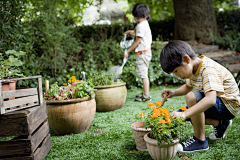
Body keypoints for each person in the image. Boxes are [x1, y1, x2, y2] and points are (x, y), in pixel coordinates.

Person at [160, 40, 240, 153]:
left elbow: (211, 100)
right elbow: (188, 86)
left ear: (187, 59)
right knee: (184, 113)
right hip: (220, 104)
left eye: (176, 71)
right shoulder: (194, 68)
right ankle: (220, 124)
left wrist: (185, 114)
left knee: (191, 99)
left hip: (228, 106)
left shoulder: (208, 70)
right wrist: (173, 93)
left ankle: (200, 141)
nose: (177, 76)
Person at [124, 3, 152, 102]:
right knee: (144, 74)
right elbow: (136, 32)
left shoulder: (140, 25)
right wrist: (129, 32)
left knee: (143, 75)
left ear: (144, 16)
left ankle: (146, 95)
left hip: (142, 54)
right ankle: (145, 93)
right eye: (135, 17)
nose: (135, 20)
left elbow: (137, 42)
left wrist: (127, 51)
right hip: (145, 53)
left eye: (137, 18)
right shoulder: (144, 23)